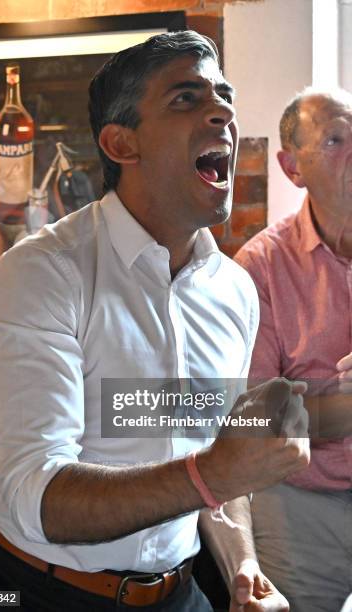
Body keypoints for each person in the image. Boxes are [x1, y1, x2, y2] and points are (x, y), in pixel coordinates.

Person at [0, 32, 309, 612]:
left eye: (224, 96)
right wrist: (212, 472)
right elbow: (37, 493)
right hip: (23, 589)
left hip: (176, 595)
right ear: (121, 143)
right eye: (186, 98)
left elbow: (213, 456)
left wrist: (243, 566)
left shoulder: (235, 290)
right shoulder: (44, 271)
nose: (223, 113)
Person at [234, 87, 352, 612]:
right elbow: (253, 423)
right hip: (302, 510)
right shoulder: (259, 267)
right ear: (291, 167)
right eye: (333, 140)